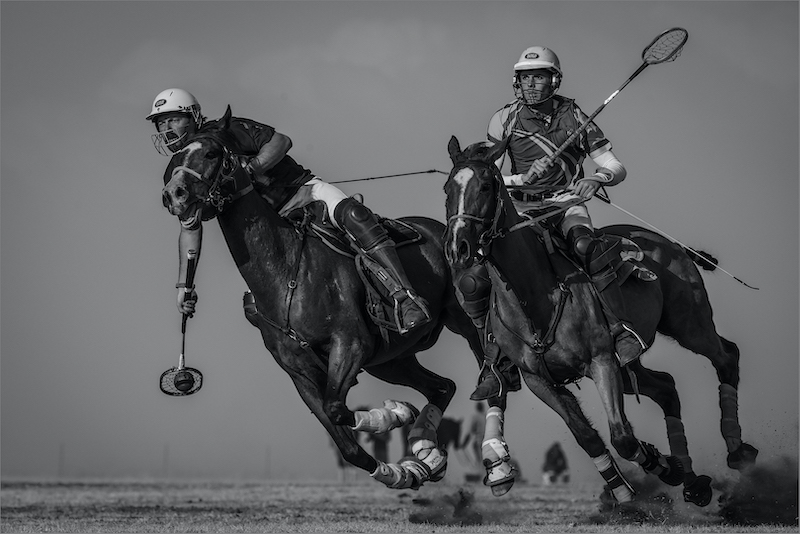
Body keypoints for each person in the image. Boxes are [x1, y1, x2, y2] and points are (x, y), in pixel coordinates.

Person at [147, 88, 430, 335]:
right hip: (268, 230)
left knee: (355, 216)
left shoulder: (227, 132)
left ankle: (406, 297)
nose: (167, 129)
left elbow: (281, 141)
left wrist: (253, 169)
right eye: (161, 124)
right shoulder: (177, 175)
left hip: (303, 193)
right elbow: (189, 227)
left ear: (193, 116)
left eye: (173, 119)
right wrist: (184, 287)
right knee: (255, 306)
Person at [462, 47, 648, 400]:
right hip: (518, 211)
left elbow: (614, 164)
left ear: (554, 80)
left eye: (539, 76)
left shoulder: (577, 118)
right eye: (526, 77)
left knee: (584, 247)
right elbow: (491, 175)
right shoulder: (503, 120)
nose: (531, 84)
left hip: (564, 205)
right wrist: (518, 179)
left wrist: (599, 178)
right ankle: (494, 360)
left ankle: (619, 330)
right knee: (475, 280)